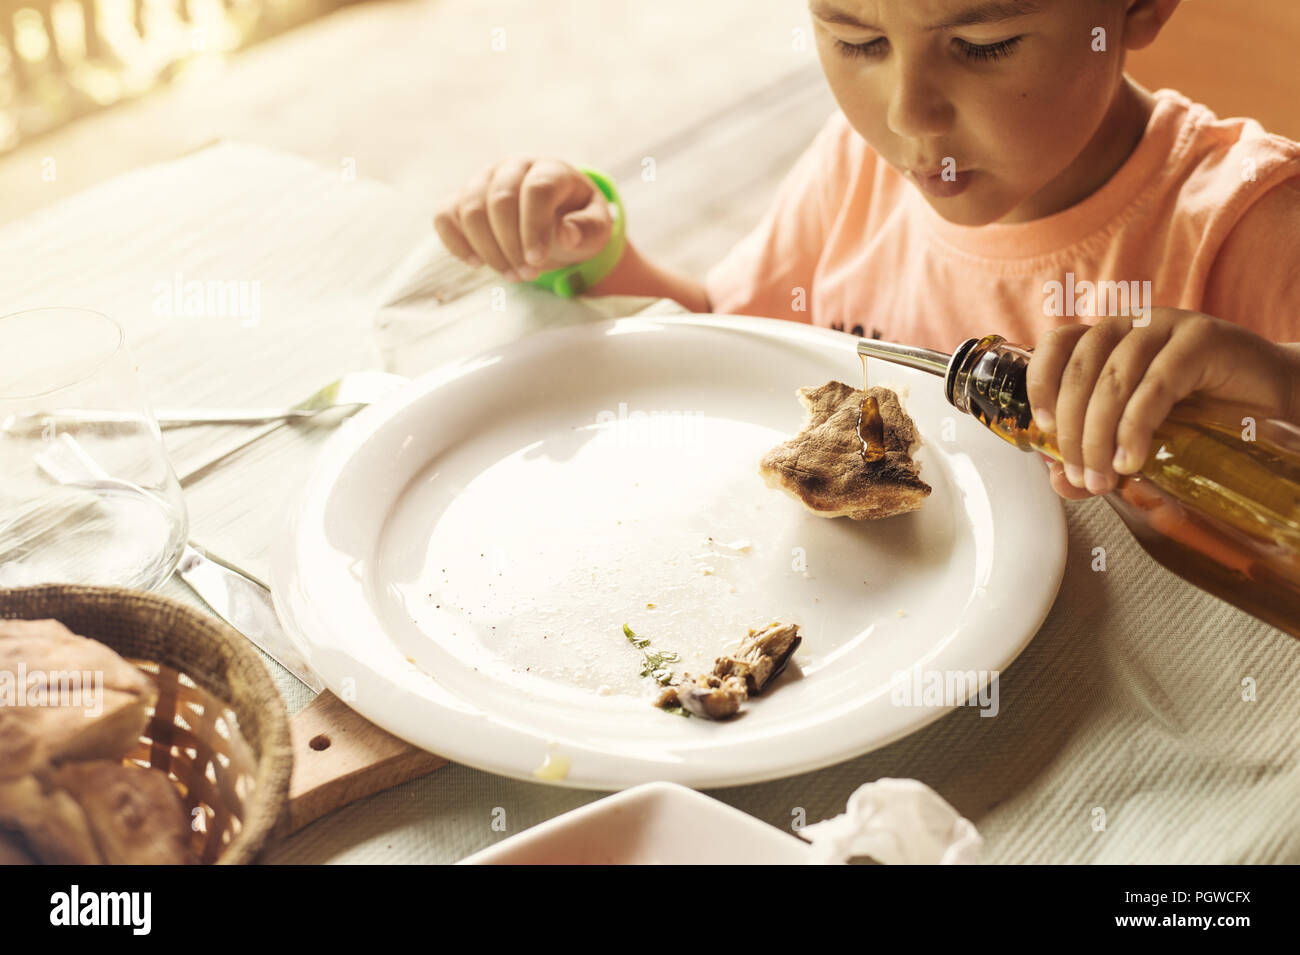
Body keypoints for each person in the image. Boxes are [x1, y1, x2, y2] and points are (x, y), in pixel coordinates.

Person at [433, 0, 1300, 501]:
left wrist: (1275, 378)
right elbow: (726, 338)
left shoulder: (1248, 224)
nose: (907, 113)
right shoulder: (862, 167)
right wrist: (589, 256)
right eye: (856, 41)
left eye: (982, 45)